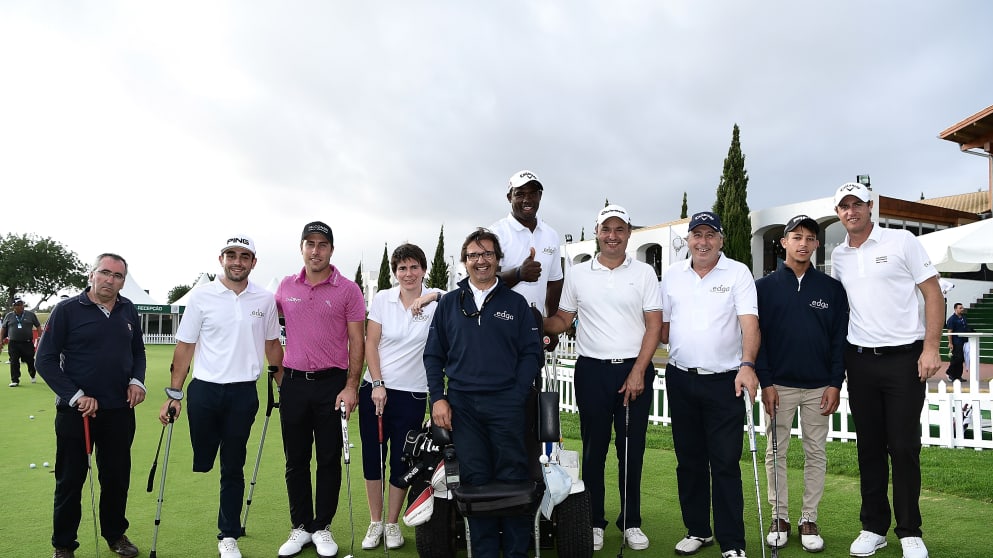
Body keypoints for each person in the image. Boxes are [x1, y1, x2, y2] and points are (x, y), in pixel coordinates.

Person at [830, 181, 942, 558]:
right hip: (859, 360)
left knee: (905, 446)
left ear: (870, 207)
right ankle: (873, 526)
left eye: (857, 205)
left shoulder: (902, 241)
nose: (851, 211)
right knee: (869, 447)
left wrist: (930, 348)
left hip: (904, 358)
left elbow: (933, 293)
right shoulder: (838, 254)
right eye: (844, 207)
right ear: (839, 214)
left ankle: (909, 530)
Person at [543, 204, 662, 552]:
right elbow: (563, 319)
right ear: (596, 232)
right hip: (591, 370)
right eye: (606, 229)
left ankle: (631, 522)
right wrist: (534, 321)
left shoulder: (643, 273)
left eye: (620, 230)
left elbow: (654, 325)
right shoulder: (578, 273)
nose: (613, 236)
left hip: (633, 369)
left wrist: (639, 370)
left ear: (628, 234)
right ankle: (594, 520)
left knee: (631, 450)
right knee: (594, 451)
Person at [158, 235, 283, 558]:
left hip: (243, 393)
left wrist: (284, 382)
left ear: (253, 262)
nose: (237, 261)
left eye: (244, 256)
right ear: (222, 259)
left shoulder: (265, 300)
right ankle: (205, 458)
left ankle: (228, 534)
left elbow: (272, 345)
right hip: (204, 391)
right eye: (231, 255)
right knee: (204, 460)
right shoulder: (201, 297)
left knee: (233, 464)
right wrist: (175, 393)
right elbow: (185, 346)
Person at [424, 228, 542, 558]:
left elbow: (531, 354)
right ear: (464, 262)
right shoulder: (448, 304)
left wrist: (517, 394)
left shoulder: (515, 304)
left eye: (487, 254)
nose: (481, 260)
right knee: (475, 481)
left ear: (498, 260)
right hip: (463, 407)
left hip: (507, 404)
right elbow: (433, 355)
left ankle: (516, 552)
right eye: (474, 255)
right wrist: (438, 397)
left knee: (513, 479)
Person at [659, 211, 760, 558]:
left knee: (725, 463)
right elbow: (664, 328)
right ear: (687, 240)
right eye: (696, 235)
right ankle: (698, 530)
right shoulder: (671, 275)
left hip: (725, 381)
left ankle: (732, 542)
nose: (703, 242)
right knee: (689, 460)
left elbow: (749, 323)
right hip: (680, 377)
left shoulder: (738, 272)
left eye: (710, 235)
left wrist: (748, 365)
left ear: (721, 239)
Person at [36, 253, 146, 558]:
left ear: (124, 280)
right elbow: (44, 360)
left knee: (116, 477)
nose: (110, 280)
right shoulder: (67, 310)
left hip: (119, 411)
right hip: (76, 412)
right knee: (70, 479)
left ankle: (115, 535)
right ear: (91, 274)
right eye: (105, 273)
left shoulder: (128, 309)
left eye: (118, 276)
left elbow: (138, 351)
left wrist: (138, 381)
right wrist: (76, 395)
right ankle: (63, 544)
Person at [754, 215, 849, 552]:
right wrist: (765, 382)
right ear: (783, 242)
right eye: (796, 237)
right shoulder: (763, 288)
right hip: (778, 386)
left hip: (819, 387)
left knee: (815, 452)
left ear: (817, 244)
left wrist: (835, 383)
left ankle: (808, 517)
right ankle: (778, 516)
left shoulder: (831, 289)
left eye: (810, 238)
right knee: (775, 451)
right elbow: (757, 339)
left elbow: (839, 341)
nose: (803, 243)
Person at [274, 221, 366, 558]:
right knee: (295, 460)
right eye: (310, 244)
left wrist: (352, 386)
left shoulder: (348, 290)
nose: (316, 250)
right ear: (302, 248)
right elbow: (268, 328)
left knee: (328, 459)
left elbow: (358, 340)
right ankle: (300, 526)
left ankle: (322, 527)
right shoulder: (285, 287)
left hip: (333, 385)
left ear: (331, 249)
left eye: (322, 244)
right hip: (294, 383)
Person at [359, 243, 443, 550]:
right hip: (376, 390)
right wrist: (378, 382)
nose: (408, 274)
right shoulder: (383, 298)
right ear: (395, 272)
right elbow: (371, 342)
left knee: (402, 460)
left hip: (412, 393)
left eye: (414, 267)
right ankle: (375, 522)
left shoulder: (436, 300)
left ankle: (392, 524)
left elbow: (463, 294)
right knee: (373, 457)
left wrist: (431, 296)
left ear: (423, 269)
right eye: (402, 268)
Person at [489, 169, 564, 321]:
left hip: (534, 323)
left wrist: (550, 323)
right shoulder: (494, 234)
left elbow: (554, 282)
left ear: (540, 196)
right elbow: (483, 281)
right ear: (509, 197)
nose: (527, 199)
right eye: (520, 194)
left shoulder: (551, 235)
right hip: (498, 324)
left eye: (533, 193)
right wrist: (519, 274)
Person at [2, 297, 43, 386]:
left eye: (21, 304)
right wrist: (0, 339)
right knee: (14, 361)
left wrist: (40, 337)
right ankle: (15, 380)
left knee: (30, 360)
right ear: (14, 307)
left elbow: (38, 326)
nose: (21, 306)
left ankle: (32, 374)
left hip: (27, 342)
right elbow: (4, 328)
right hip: (13, 343)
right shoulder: (9, 316)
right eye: (18, 305)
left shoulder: (30, 315)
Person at [944, 303, 969, 382]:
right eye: (960, 308)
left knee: (961, 359)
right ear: (955, 309)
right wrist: (950, 343)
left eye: (962, 308)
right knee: (956, 358)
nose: (962, 309)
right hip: (956, 342)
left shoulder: (963, 318)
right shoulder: (952, 319)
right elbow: (949, 331)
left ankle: (958, 376)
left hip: (964, 341)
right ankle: (949, 373)